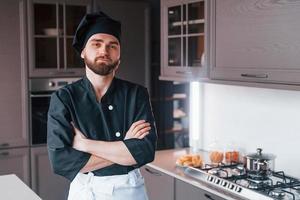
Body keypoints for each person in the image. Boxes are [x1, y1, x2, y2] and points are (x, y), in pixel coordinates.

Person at [47, 11, 157, 200]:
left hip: (129, 191)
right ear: (83, 52)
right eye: (96, 44)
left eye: (112, 46)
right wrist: (125, 148)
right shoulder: (64, 98)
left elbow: (145, 152)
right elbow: (61, 161)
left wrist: (85, 144)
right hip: (85, 191)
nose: (104, 51)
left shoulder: (137, 94)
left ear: (119, 57)